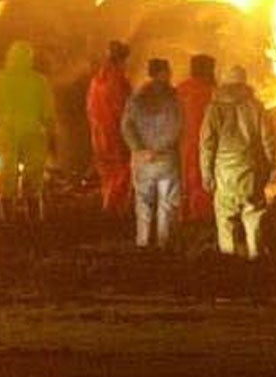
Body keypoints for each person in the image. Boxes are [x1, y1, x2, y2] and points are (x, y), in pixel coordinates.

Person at [200, 65, 276, 258]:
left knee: (226, 221)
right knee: (253, 217)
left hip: (224, 174)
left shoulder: (214, 109)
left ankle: (229, 267)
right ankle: (256, 262)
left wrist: (207, 174)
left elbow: (207, 145)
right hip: (250, 172)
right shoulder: (256, 107)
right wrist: (268, 169)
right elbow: (268, 140)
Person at [0, 39, 57, 221]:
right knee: (34, 177)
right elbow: (48, 114)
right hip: (33, 134)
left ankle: (8, 220)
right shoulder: (39, 81)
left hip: (6, 134)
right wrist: (53, 141)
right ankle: (34, 220)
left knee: (6, 177)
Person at [120, 57, 184, 249]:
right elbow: (178, 126)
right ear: (162, 73)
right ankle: (163, 245)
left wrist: (139, 149)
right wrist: (161, 147)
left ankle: (143, 244)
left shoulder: (137, 97)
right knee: (167, 205)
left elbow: (126, 126)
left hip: (142, 160)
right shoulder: (174, 97)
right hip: (166, 158)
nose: (170, 74)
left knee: (144, 204)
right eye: (168, 71)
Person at [85, 40, 133, 216]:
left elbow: (90, 107)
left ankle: (109, 204)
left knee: (107, 172)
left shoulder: (97, 80)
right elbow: (124, 108)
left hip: (99, 132)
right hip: (116, 133)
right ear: (122, 60)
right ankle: (114, 210)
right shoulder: (118, 80)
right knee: (122, 171)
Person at [177, 53, 218, 226]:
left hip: (182, 145)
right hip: (203, 145)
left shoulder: (180, 90)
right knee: (202, 184)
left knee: (185, 182)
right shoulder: (210, 93)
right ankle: (200, 222)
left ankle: (183, 220)